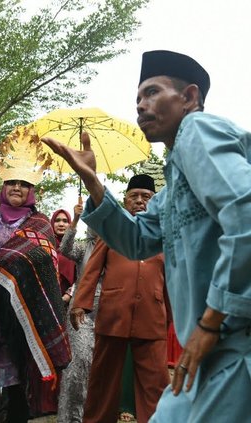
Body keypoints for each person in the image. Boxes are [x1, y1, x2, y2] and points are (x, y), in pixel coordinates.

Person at [42, 50, 251, 422]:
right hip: (209, 353)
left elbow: (246, 214)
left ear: (189, 97)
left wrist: (210, 322)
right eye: (137, 98)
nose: (140, 105)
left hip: (233, 342)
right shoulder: (171, 186)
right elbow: (137, 240)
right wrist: (93, 183)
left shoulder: (196, 131)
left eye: (152, 92)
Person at [0, 128, 71, 423]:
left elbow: (45, 265)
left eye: (24, 184)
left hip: (21, 315)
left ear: (31, 190)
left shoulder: (40, 225)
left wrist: (8, 266)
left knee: (16, 382)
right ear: (3, 184)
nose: (17, 188)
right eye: (12, 181)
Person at [71, 174, 170, 423]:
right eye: (134, 196)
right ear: (125, 201)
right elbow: (92, 268)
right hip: (113, 314)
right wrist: (80, 303)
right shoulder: (113, 232)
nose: (139, 201)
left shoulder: (164, 235)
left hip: (152, 316)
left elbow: (172, 278)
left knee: (156, 384)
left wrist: (172, 315)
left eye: (145, 197)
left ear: (154, 201)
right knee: (102, 379)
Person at [56, 200, 98, 423]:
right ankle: (69, 418)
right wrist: (76, 218)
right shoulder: (84, 246)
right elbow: (64, 248)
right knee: (77, 367)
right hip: (80, 314)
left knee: (97, 368)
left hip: (107, 313)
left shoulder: (116, 246)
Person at [50, 208, 76, 296]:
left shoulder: (76, 249)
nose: (61, 224)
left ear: (70, 224)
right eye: (57, 221)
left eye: (65, 221)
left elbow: (82, 276)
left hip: (68, 302)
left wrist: (69, 294)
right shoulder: (44, 246)